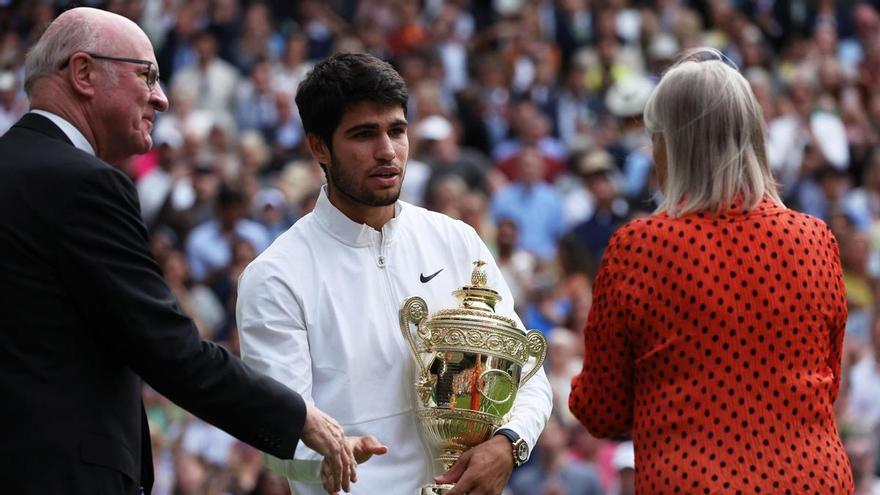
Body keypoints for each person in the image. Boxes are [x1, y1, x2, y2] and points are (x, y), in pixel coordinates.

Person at [0, 8, 369, 495]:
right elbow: (166, 347)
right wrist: (301, 420)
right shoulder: (82, 185)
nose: (162, 97)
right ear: (84, 72)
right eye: (146, 76)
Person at [236, 52, 552, 495]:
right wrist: (331, 452)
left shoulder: (457, 241)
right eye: (364, 134)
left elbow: (527, 374)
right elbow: (278, 431)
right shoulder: (276, 276)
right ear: (318, 146)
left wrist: (509, 442)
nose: (387, 151)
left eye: (397, 131)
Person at [568, 48, 854, 494]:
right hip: (814, 479)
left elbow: (602, 409)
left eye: (655, 139)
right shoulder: (815, 238)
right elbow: (827, 382)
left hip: (692, 482)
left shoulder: (639, 247)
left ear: (674, 146)